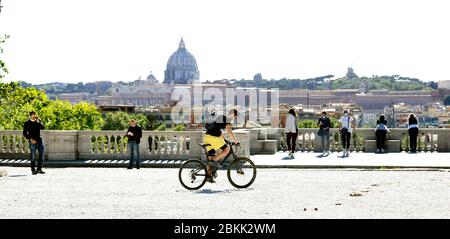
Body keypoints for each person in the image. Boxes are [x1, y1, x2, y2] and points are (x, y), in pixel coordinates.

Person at [203, 108, 239, 183]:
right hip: (213, 138)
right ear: (232, 114)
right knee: (227, 149)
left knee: (210, 159)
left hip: (207, 137)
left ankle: (208, 176)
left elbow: (219, 132)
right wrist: (235, 141)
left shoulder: (221, 118)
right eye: (235, 117)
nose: (234, 119)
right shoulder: (226, 119)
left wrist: (225, 140)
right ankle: (214, 161)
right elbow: (229, 132)